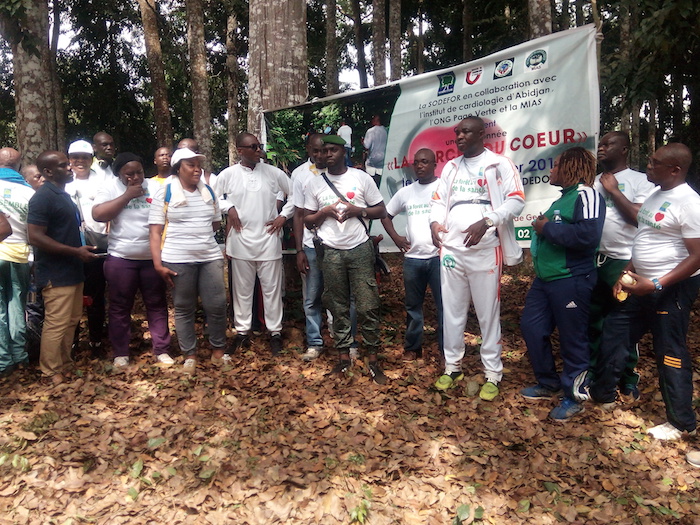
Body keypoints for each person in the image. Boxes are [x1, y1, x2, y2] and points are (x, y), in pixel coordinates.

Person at [590, 143, 700, 441]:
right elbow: (644, 239)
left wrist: (656, 284)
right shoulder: (655, 195)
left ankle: (681, 423)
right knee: (615, 331)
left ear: (675, 170)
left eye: (655, 163)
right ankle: (603, 394)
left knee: (670, 351)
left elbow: (697, 256)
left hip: (670, 289)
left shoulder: (689, 203)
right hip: (639, 282)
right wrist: (626, 273)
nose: (648, 166)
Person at [429, 117, 524, 401]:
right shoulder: (451, 167)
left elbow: (517, 199)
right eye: (457, 131)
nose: (459, 135)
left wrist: (488, 221)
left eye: (465, 131)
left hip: (486, 250)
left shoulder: (499, 164)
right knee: (452, 311)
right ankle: (452, 367)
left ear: (481, 134)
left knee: (487, 314)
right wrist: (434, 223)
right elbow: (437, 201)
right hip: (452, 250)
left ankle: (493, 373)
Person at [520, 147, 604, 421]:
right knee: (532, 328)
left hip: (571, 280)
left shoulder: (586, 194)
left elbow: (588, 236)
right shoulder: (563, 198)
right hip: (545, 281)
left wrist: (547, 229)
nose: (551, 170)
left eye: (556, 166)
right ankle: (548, 382)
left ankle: (575, 396)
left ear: (570, 167)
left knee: (573, 339)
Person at [304, 135, 388, 383]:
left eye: (333, 150)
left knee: (367, 305)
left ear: (344, 151)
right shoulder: (316, 184)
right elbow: (308, 220)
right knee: (337, 306)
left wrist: (357, 210)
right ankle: (343, 358)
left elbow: (381, 209)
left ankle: (372, 359)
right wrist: (324, 212)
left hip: (360, 249)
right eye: (324, 150)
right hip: (330, 251)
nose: (327, 154)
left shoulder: (361, 178)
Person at [588, 132, 655, 399]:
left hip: (625, 263)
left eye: (608, 144)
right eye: (600, 145)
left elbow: (641, 218)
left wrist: (613, 190)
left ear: (625, 149)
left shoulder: (641, 181)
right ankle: (596, 373)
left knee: (624, 325)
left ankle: (627, 377)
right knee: (594, 322)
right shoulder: (592, 184)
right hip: (595, 261)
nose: (602, 148)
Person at [149, 148, 228, 374]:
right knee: (184, 307)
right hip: (177, 259)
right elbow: (155, 232)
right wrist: (157, 264)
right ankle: (190, 355)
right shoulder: (165, 194)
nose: (197, 169)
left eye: (198, 165)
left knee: (217, 304)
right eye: (191, 165)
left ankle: (218, 351)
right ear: (178, 168)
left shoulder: (209, 193)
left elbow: (215, 224)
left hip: (209, 256)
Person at [93, 153, 174, 368]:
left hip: (152, 258)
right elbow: (98, 214)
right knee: (119, 306)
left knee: (156, 304)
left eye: (138, 172)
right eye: (129, 174)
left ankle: (162, 350)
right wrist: (127, 196)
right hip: (121, 257)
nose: (136, 177)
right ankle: (121, 352)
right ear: (119, 174)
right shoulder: (110, 187)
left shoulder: (155, 187)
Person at [216, 132, 293, 355]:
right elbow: (213, 197)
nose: (259, 150)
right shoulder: (228, 174)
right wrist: (228, 208)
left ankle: (275, 333)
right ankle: (242, 333)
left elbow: (296, 194)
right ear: (240, 150)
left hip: (269, 239)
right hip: (240, 241)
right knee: (242, 291)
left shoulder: (273, 173)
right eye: (253, 147)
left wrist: (283, 216)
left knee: (272, 290)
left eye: (259, 146)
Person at [27, 151, 99, 384]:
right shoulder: (42, 197)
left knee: (71, 319)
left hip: (73, 269)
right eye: (62, 165)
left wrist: (81, 249)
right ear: (47, 172)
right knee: (56, 322)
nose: (70, 168)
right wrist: (74, 252)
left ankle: (65, 363)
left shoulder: (62, 195)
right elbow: (35, 236)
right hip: (55, 272)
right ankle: (50, 371)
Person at [381, 148, 443, 360]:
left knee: (445, 305)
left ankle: (447, 350)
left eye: (425, 162)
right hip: (413, 260)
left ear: (435, 164)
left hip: (439, 257)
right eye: (416, 163)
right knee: (412, 307)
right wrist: (396, 238)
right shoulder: (406, 192)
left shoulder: (444, 188)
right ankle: (413, 348)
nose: (419, 166)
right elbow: (385, 215)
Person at [66, 139, 108, 355]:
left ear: (91, 159)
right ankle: (71, 342)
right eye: (75, 157)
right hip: (68, 248)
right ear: (69, 160)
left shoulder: (102, 180)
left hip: (96, 245)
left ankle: (96, 341)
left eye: (84, 157)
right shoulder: (63, 181)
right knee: (70, 296)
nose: (79, 161)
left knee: (95, 295)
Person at [292, 134, 327, 360]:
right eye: (315, 150)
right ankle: (314, 342)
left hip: (336, 244)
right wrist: (299, 250)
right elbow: (297, 214)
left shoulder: (338, 170)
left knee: (341, 295)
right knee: (311, 297)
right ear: (308, 150)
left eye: (323, 150)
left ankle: (343, 339)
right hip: (310, 245)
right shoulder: (299, 175)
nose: (320, 155)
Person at [0, 148, 34, 376]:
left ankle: (3, 361)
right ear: (19, 166)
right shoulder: (29, 193)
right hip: (21, 254)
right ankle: (20, 357)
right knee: (17, 306)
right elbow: (34, 231)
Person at [362, 115, 388, 185]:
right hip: (384, 158)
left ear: (375, 121)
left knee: (369, 169)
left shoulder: (370, 131)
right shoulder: (386, 130)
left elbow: (367, 146)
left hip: (373, 158)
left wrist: (362, 142)